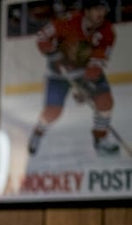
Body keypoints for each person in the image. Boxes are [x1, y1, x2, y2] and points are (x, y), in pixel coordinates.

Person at [27, 0, 118, 156]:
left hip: (84, 70)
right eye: (97, 8)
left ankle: (100, 139)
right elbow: (42, 37)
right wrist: (51, 52)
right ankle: (38, 132)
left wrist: (85, 88)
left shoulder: (107, 31)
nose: (101, 13)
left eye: (104, 9)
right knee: (52, 112)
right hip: (58, 73)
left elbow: (96, 63)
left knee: (105, 102)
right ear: (86, 11)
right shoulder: (67, 21)